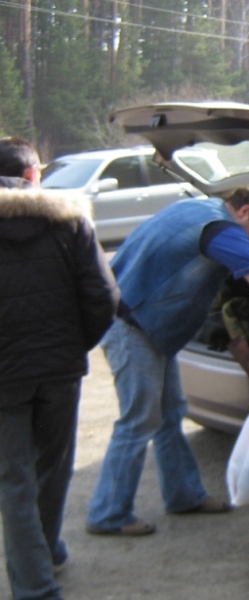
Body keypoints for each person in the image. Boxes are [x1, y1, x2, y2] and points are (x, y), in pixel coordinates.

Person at [86, 185, 249, 536]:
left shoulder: (198, 208)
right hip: (134, 327)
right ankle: (107, 514)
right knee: (139, 420)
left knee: (170, 412)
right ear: (245, 211)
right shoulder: (221, 228)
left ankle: (183, 496)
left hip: (143, 324)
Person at [0, 137, 118, 599]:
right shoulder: (71, 222)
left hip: (4, 377)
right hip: (60, 370)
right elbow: (104, 298)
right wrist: (73, 348)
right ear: (32, 176)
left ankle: (35, 583)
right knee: (53, 465)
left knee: (14, 476)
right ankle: (46, 552)